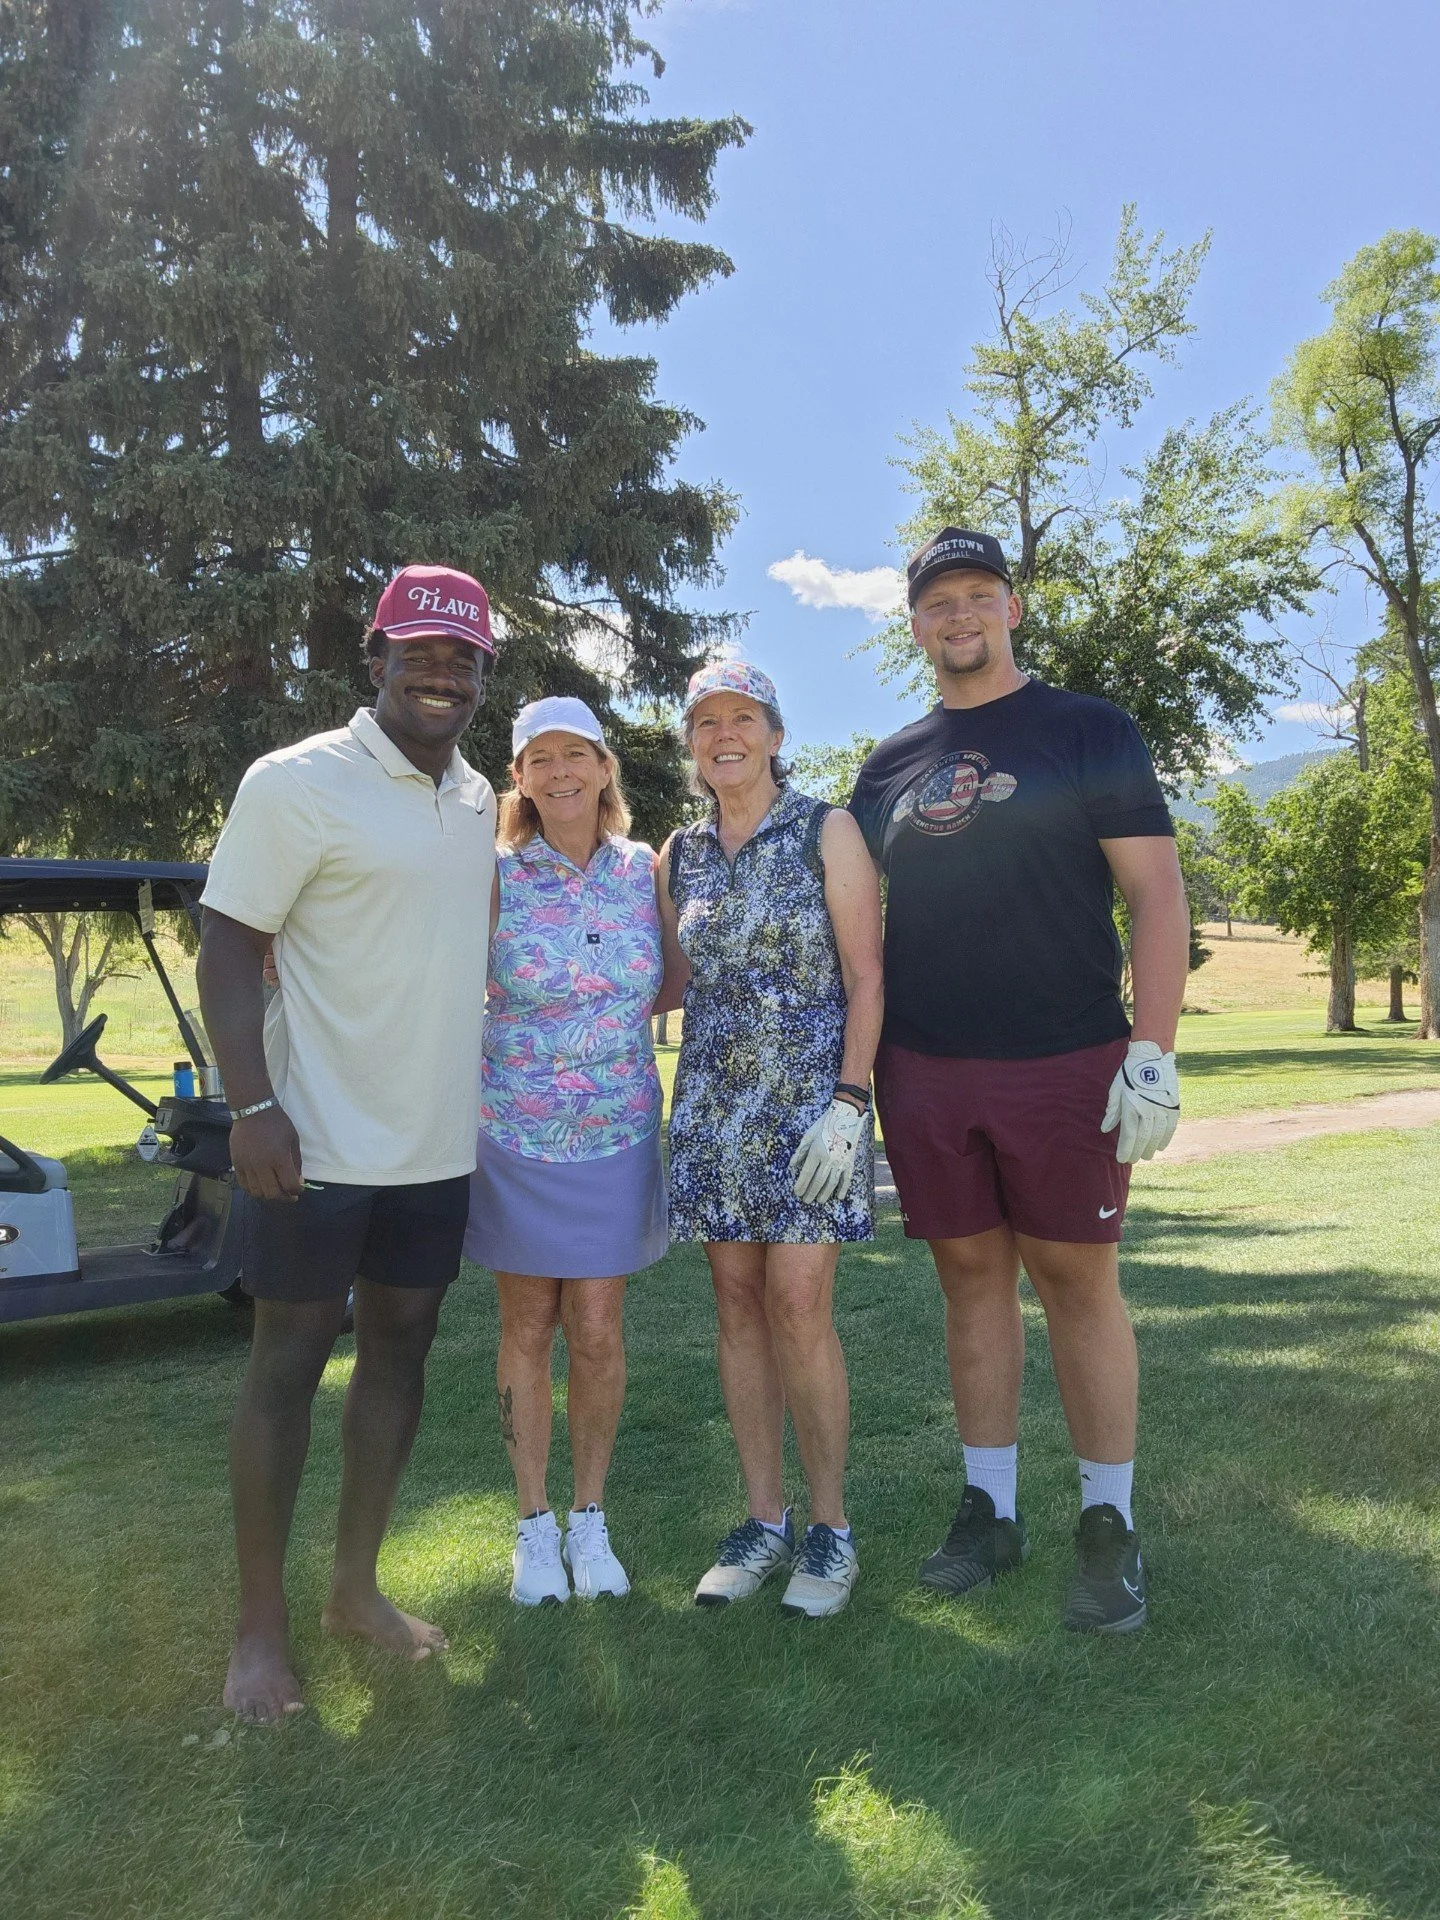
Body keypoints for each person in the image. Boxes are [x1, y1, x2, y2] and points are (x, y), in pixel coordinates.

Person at [848, 527, 1190, 1635]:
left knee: (1078, 1282)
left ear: (1013, 608)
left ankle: (1108, 1523)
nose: (959, 615)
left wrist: (1153, 1048)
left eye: (977, 595)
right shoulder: (888, 767)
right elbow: (849, 919)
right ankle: (991, 1511)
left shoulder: (1089, 729)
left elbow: (1156, 894)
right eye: (938, 601)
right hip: (925, 1066)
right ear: (915, 625)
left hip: (1065, 1058)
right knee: (968, 1282)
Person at [197, 564, 498, 1722]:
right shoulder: (296, 782)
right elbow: (228, 942)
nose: (441, 674)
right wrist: (250, 1107)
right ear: (376, 660)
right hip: (311, 1141)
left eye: (463, 658)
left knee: (401, 1355)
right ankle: (257, 1633)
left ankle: (354, 1591)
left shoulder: (477, 796)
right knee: (286, 1365)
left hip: (433, 1145)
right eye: (419, 653)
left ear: (483, 677)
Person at [658, 660, 885, 1620]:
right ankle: (763, 1520)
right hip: (713, 1109)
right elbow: (673, 980)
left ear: (776, 735)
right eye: (706, 722)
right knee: (737, 1305)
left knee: (798, 1305)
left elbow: (868, 976)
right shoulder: (680, 853)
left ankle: (830, 1529)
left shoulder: (827, 829)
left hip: (812, 1113)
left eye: (742, 717)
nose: (725, 736)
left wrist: (851, 1102)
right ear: (692, 744)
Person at [467, 695, 670, 1606]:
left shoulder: (643, 869)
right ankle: (533, 1525)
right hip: (516, 1133)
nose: (559, 773)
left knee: (596, 1327)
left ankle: (590, 1518)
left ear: (603, 766)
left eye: (574, 754)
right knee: (526, 1327)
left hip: (617, 1132)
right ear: (518, 778)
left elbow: (672, 977)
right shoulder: (494, 875)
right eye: (539, 759)